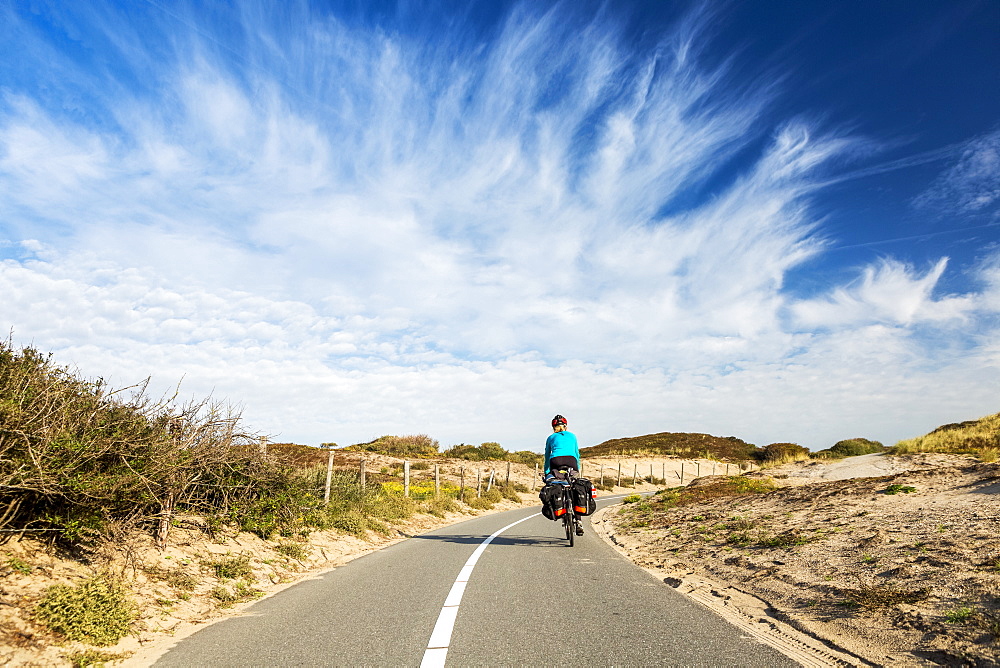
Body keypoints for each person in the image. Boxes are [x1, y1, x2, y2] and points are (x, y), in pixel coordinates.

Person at [544, 414, 580, 482]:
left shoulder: (550, 437)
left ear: (554, 427)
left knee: (554, 479)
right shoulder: (572, 436)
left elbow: (547, 455)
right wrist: (577, 468)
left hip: (555, 460)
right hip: (571, 460)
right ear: (565, 426)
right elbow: (577, 453)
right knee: (574, 480)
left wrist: (546, 472)